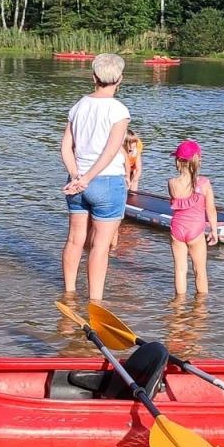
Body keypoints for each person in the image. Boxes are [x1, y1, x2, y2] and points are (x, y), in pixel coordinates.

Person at [61, 53, 130, 300]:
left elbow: (65, 147)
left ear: (93, 77)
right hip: (106, 182)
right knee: (100, 246)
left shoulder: (78, 106)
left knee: (74, 240)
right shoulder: (119, 111)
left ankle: (68, 292)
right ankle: (95, 302)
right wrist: (87, 178)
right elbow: (111, 151)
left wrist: (76, 176)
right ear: (120, 79)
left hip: (76, 181)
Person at [167, 140, 218, 295]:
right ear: (197, 160)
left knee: (180, 270)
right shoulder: (204, 183)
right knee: (200, 270)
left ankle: (179, 308)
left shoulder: (171, 183)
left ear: (177, 161)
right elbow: (210, 209)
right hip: (195, 231)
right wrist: (214, 231)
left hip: (177, 230)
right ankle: (201, 310)